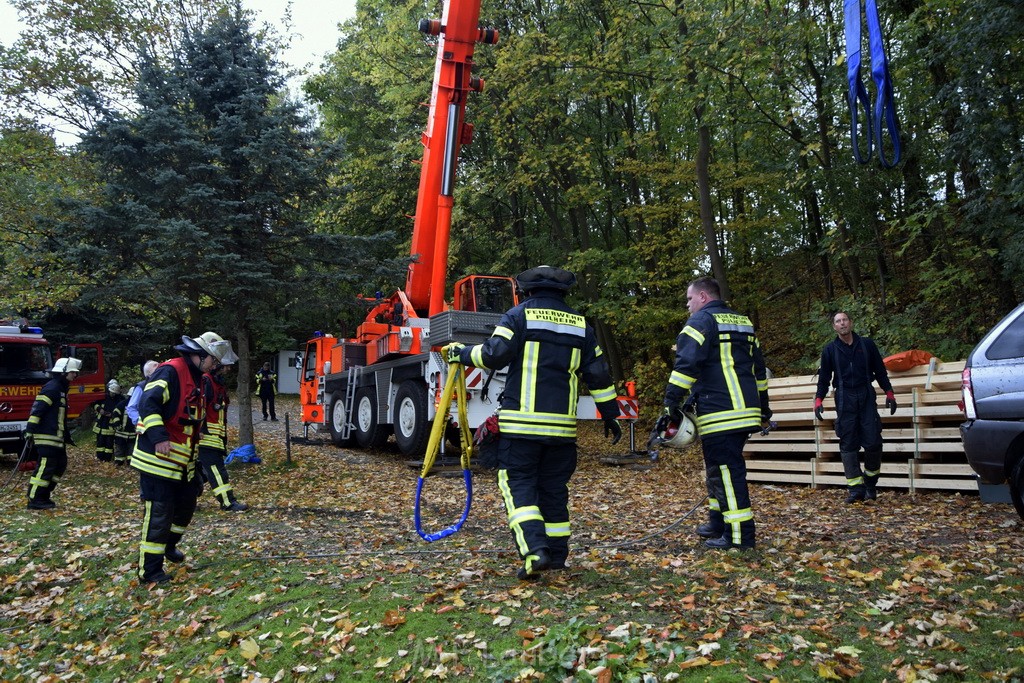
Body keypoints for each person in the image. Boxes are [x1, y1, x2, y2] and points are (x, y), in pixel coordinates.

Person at [446, 265, 622, 580]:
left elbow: (492, 355)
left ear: (527, 291)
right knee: (553, 490)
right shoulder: (581, 325)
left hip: (521, 428)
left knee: (518, 486)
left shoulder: (518, 316)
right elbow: (597, 374)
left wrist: (461, 353)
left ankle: (534, 551)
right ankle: (556, 557)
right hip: (562, 432)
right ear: (563, 292)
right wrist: (610, 413)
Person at [660, 276, 770, 550]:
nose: (687, 305)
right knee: (716, 471)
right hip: (745, 411)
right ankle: (717, 522)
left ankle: (739, 537)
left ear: (703, 297)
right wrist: (764, 408)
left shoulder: (700, 322)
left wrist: (670, 403)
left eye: (689, 299)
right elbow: (759, 371)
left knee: (727, 473)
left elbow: (686, 365)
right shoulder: (744, 323)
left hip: (720, 412)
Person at [131, 332, 238, 584]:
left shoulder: (199, 378)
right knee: (159, 513)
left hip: (183, 462)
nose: (215, 365)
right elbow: (148, 403)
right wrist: (159, 436)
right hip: (157, 460)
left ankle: (168, 545)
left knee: (187, 505)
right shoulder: (170, 371)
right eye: (212, 359)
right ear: (198, 355)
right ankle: (150, 571)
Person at [814, 311, 897, 503]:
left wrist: (889, 392)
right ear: (834, 327)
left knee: (873, 442)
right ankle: (855, 489)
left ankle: (870, 483)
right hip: (844, 398)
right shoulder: (830, 350)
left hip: (866, 395)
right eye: (838, 321)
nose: (842, 323)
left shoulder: (867, 345)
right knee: (848, 443)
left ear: (851, 322)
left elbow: (880, 371)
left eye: (844, 320)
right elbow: (824, 378)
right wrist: (818, 399)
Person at [25, 357, 83, 510]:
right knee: (46, 467)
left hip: (56, 436)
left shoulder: (61, 388)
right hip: (46, 436)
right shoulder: (52, 388)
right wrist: (30, 428)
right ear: (64, 372)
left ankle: (43, 496)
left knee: (60, 464)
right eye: (72, 372)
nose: (75, 375)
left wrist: (66, 435)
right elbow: (39, 409)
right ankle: (35, 498)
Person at [199, 361, 248, 511]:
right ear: (216, 365)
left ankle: (184, 502)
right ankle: (227, 502)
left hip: (214, 437)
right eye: (226, 366)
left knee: (197, 472)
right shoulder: (207, 381)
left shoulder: (216, 384)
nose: (228, 370)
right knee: (217, 471)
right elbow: (199, 407)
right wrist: (199, 430)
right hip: (206, 437)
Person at [93, 379, 121, 462]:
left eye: (114, 393)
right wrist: (99, 409)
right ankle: (100, 457)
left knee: (109, 443)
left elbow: (120, 410)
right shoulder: (103, 396)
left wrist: (112, 415)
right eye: (111, 392)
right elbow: (94, 403)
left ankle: (108, 458)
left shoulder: (119, 399)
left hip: (110, 425)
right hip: (101, 424)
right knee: (100, 443)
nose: (112, 394)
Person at [126, 360, 160, 426]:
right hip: (146, 428)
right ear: (149, 374)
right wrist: (138, 422)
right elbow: (131, 407)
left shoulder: (165, 385)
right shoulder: (141, 387)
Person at [111, 388, 133, 466]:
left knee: (131, 449)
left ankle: (130, 462)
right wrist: (117, 424)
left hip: (133, 434)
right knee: (120, 448)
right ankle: (119, 462)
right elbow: (115, 413)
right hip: (121, 433)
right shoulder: (122, 404)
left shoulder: (138, 406)